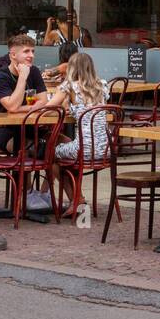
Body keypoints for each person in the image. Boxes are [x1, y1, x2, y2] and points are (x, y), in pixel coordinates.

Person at [41, 52, 110, 213]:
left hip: (82, 150)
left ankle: (71, 199)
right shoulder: (103, 85)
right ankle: (76, 200)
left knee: (49, 153)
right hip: (106, 149)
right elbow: (91, 107)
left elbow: (47, 109)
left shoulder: (69, 86)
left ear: (71, 69)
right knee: (60, 144)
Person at [0, 34, 48, 155]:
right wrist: (22, 77)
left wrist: (21, 109)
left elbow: (43, 101)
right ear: (13, 55)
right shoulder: (0, 77)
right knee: (28, 150)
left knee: (60, 146)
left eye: (32, 51)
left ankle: (56, 172)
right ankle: (20, 172)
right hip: (3, 129)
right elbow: (11, 106)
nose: (31, 55)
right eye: (26, 51)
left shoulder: (34, 71)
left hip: (30, 126)